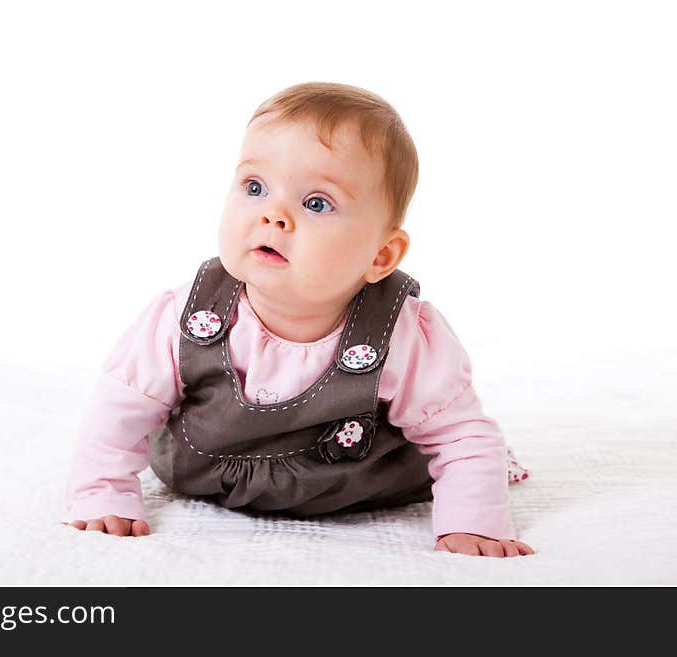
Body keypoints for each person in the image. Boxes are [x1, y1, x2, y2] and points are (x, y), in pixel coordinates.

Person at [63, 81, 534, 558]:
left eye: (316, 203)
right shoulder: (185, 316)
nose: (274, 215)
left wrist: (473, 523)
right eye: (255, 187)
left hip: (358, 484)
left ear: (381, 254)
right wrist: (103, 493)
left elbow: (460, 436)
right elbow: (118, 409)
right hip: (204, 470)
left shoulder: (403, 334)